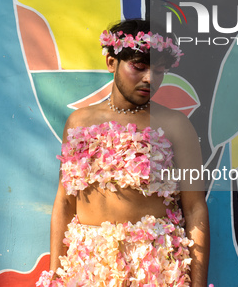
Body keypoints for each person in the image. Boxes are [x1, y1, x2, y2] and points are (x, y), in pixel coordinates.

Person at [38, 19, 210, 286]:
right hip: (87, 269)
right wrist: (54, 278)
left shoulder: (176, 126)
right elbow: (64, 202)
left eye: (160, 71)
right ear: (111, 62)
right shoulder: (78, 122)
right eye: (139, 67)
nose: (150, 79)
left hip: (154, 270)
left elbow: (195, 207)